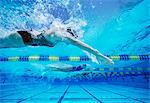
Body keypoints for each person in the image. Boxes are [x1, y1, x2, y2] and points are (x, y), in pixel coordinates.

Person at [0, 24, 114, 65]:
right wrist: (100, 55)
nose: (69, 42)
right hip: (24, 38)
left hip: (24, 38)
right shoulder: (62, 35)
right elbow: (80, 44)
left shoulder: (58, 33)